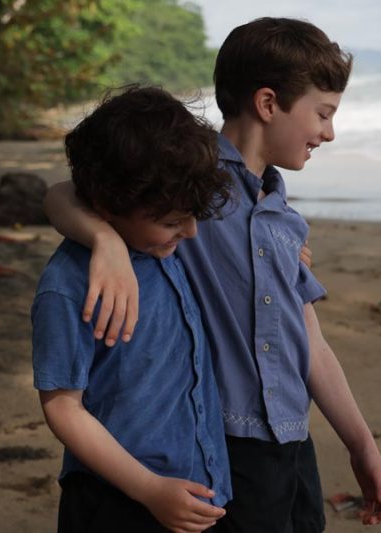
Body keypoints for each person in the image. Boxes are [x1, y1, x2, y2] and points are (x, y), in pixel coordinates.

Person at [43, 17, 381, 532]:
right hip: (220, 444)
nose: (329, 132)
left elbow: (312, 346)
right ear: (268, 103)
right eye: (322, 113)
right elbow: (65, 192)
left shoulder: (284, 219)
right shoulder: (192, 185)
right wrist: (103, 241)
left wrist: (362, 444)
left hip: (292, 440)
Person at [32, 86, 234, 532]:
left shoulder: (165, 244)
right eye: (170, 222)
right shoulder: (69, 285)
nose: (191, 232)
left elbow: (63, 194)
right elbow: (63, 408)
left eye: (192, 216)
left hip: (198, 487)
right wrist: (147, 488)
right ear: (107, 207)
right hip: (119, 501)